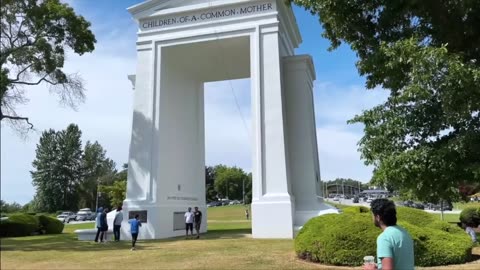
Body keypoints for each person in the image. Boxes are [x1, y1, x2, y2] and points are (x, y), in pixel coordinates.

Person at [364, 199, 414, 270]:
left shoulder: (384, 238)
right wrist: (380, 267)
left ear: (378, 217)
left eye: (372, 215)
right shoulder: (404, 233)